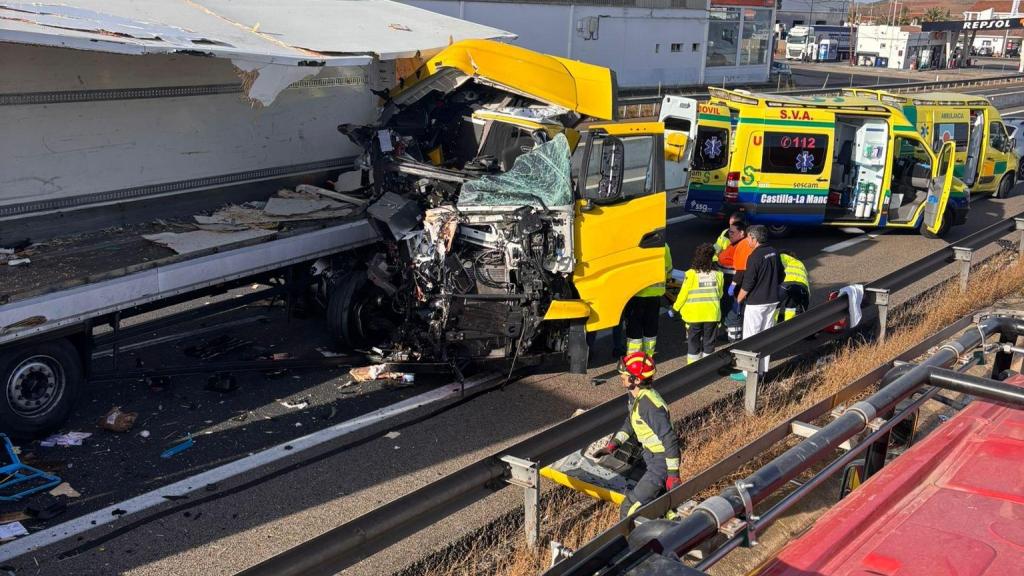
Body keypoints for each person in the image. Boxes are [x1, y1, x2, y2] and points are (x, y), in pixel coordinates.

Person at [593, 352, 681, 519]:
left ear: (636, 380)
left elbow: (670, 439)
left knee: (629, 508)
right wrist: (614, 445)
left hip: (661, 462)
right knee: (663, 507)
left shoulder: (649, 405)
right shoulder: (635, 396)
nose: (621, 376)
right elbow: (631, 422)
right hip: (651, 457)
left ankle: (629, 544)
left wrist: (673, 475)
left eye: (625, 374)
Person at [732, 225, 783, 381]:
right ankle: (762, 370)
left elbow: (748, 283)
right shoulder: (774, 252)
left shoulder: (754, 256)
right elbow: (781, 275)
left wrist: (738, 299)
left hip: (756, 303)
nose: (747, 240)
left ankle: (748, 373)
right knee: (766, 336)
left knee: (751, 337)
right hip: (772, 300)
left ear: (754, 238)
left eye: (748, 237)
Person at [673, 243, 724, 364]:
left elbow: (683, 295)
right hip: (712, 315)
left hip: (693, 316)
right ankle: (708, 367)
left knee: (693, 342)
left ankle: (692, 369)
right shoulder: (719, 275)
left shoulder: (691, 274)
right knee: (709, 343)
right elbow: (720, 294)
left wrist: (674, 308)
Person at [624, 244, 673, 357]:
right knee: (651, 327)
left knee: (634, 327)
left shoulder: (633, 243)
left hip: (635, 294)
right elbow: (669, 267)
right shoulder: (663, 245)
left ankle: (633, 358)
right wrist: (667, 278)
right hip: (654, 295)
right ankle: (648, 356)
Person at [779, 250, 810, 322]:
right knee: (791, 308)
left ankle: (772, 327)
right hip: (802, 287)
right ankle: (789, 326)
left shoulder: (780, 256)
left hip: (785, 285)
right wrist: (805, 304)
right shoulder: (800, 263)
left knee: (776, 305)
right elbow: (806, 281)